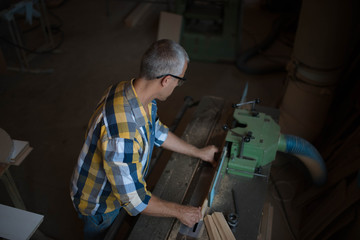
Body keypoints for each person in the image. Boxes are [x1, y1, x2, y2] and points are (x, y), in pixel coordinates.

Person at [70, 39, 218, 240]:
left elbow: (155, 130)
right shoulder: (123, 135)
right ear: (166, 80)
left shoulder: (131, 91)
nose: (177, 85)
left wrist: (198, 152)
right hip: (101, 205)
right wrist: (180, 211)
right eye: (179, 80)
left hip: (118, 187)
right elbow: (135, 201)